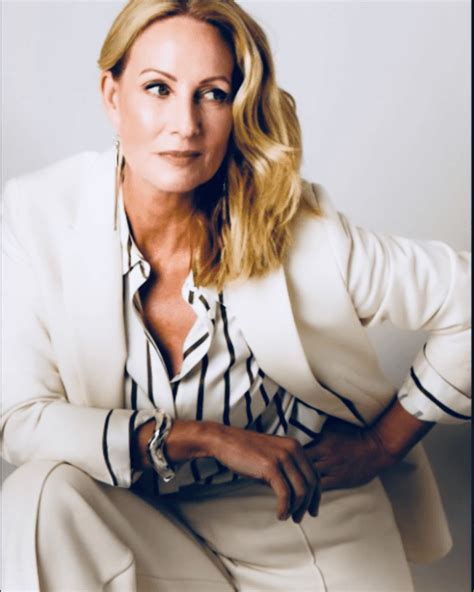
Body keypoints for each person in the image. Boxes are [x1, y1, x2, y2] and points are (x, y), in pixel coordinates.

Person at [1, 0, 470, 590]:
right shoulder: (38, 215)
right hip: (139, 523)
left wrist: (381, 444)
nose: (185, 124)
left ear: (239, 107)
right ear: (112, 96)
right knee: (38, 495)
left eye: (213, 94)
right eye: (158, 88)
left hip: (301, 527)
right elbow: (21, 419)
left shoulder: (300, 232)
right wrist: (205, 438)